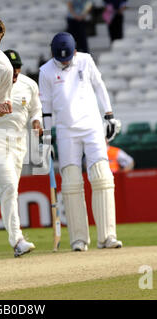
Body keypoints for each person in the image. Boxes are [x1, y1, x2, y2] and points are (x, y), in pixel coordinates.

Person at [39, 31, 122, 252]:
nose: (65, 62)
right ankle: (78, 239)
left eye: (68, 58)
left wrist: (109, 114)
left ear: (75, 51)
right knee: (71, 183)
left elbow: (99, 85)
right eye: (60, 59)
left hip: (92, 126)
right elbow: (45, 108)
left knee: (103, 177)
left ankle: (107, 237)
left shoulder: (85, 60)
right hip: (66, 131)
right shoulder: (45, 71)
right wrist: (46, 137)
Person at [0, 49, 43, 257]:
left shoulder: (29, 84)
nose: (14, 74)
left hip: (20, 144)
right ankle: (17, 240)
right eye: (11, 70)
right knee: (10, 186)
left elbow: (36, 109)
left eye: (17, 69)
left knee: (8, 188)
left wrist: (36, 121)